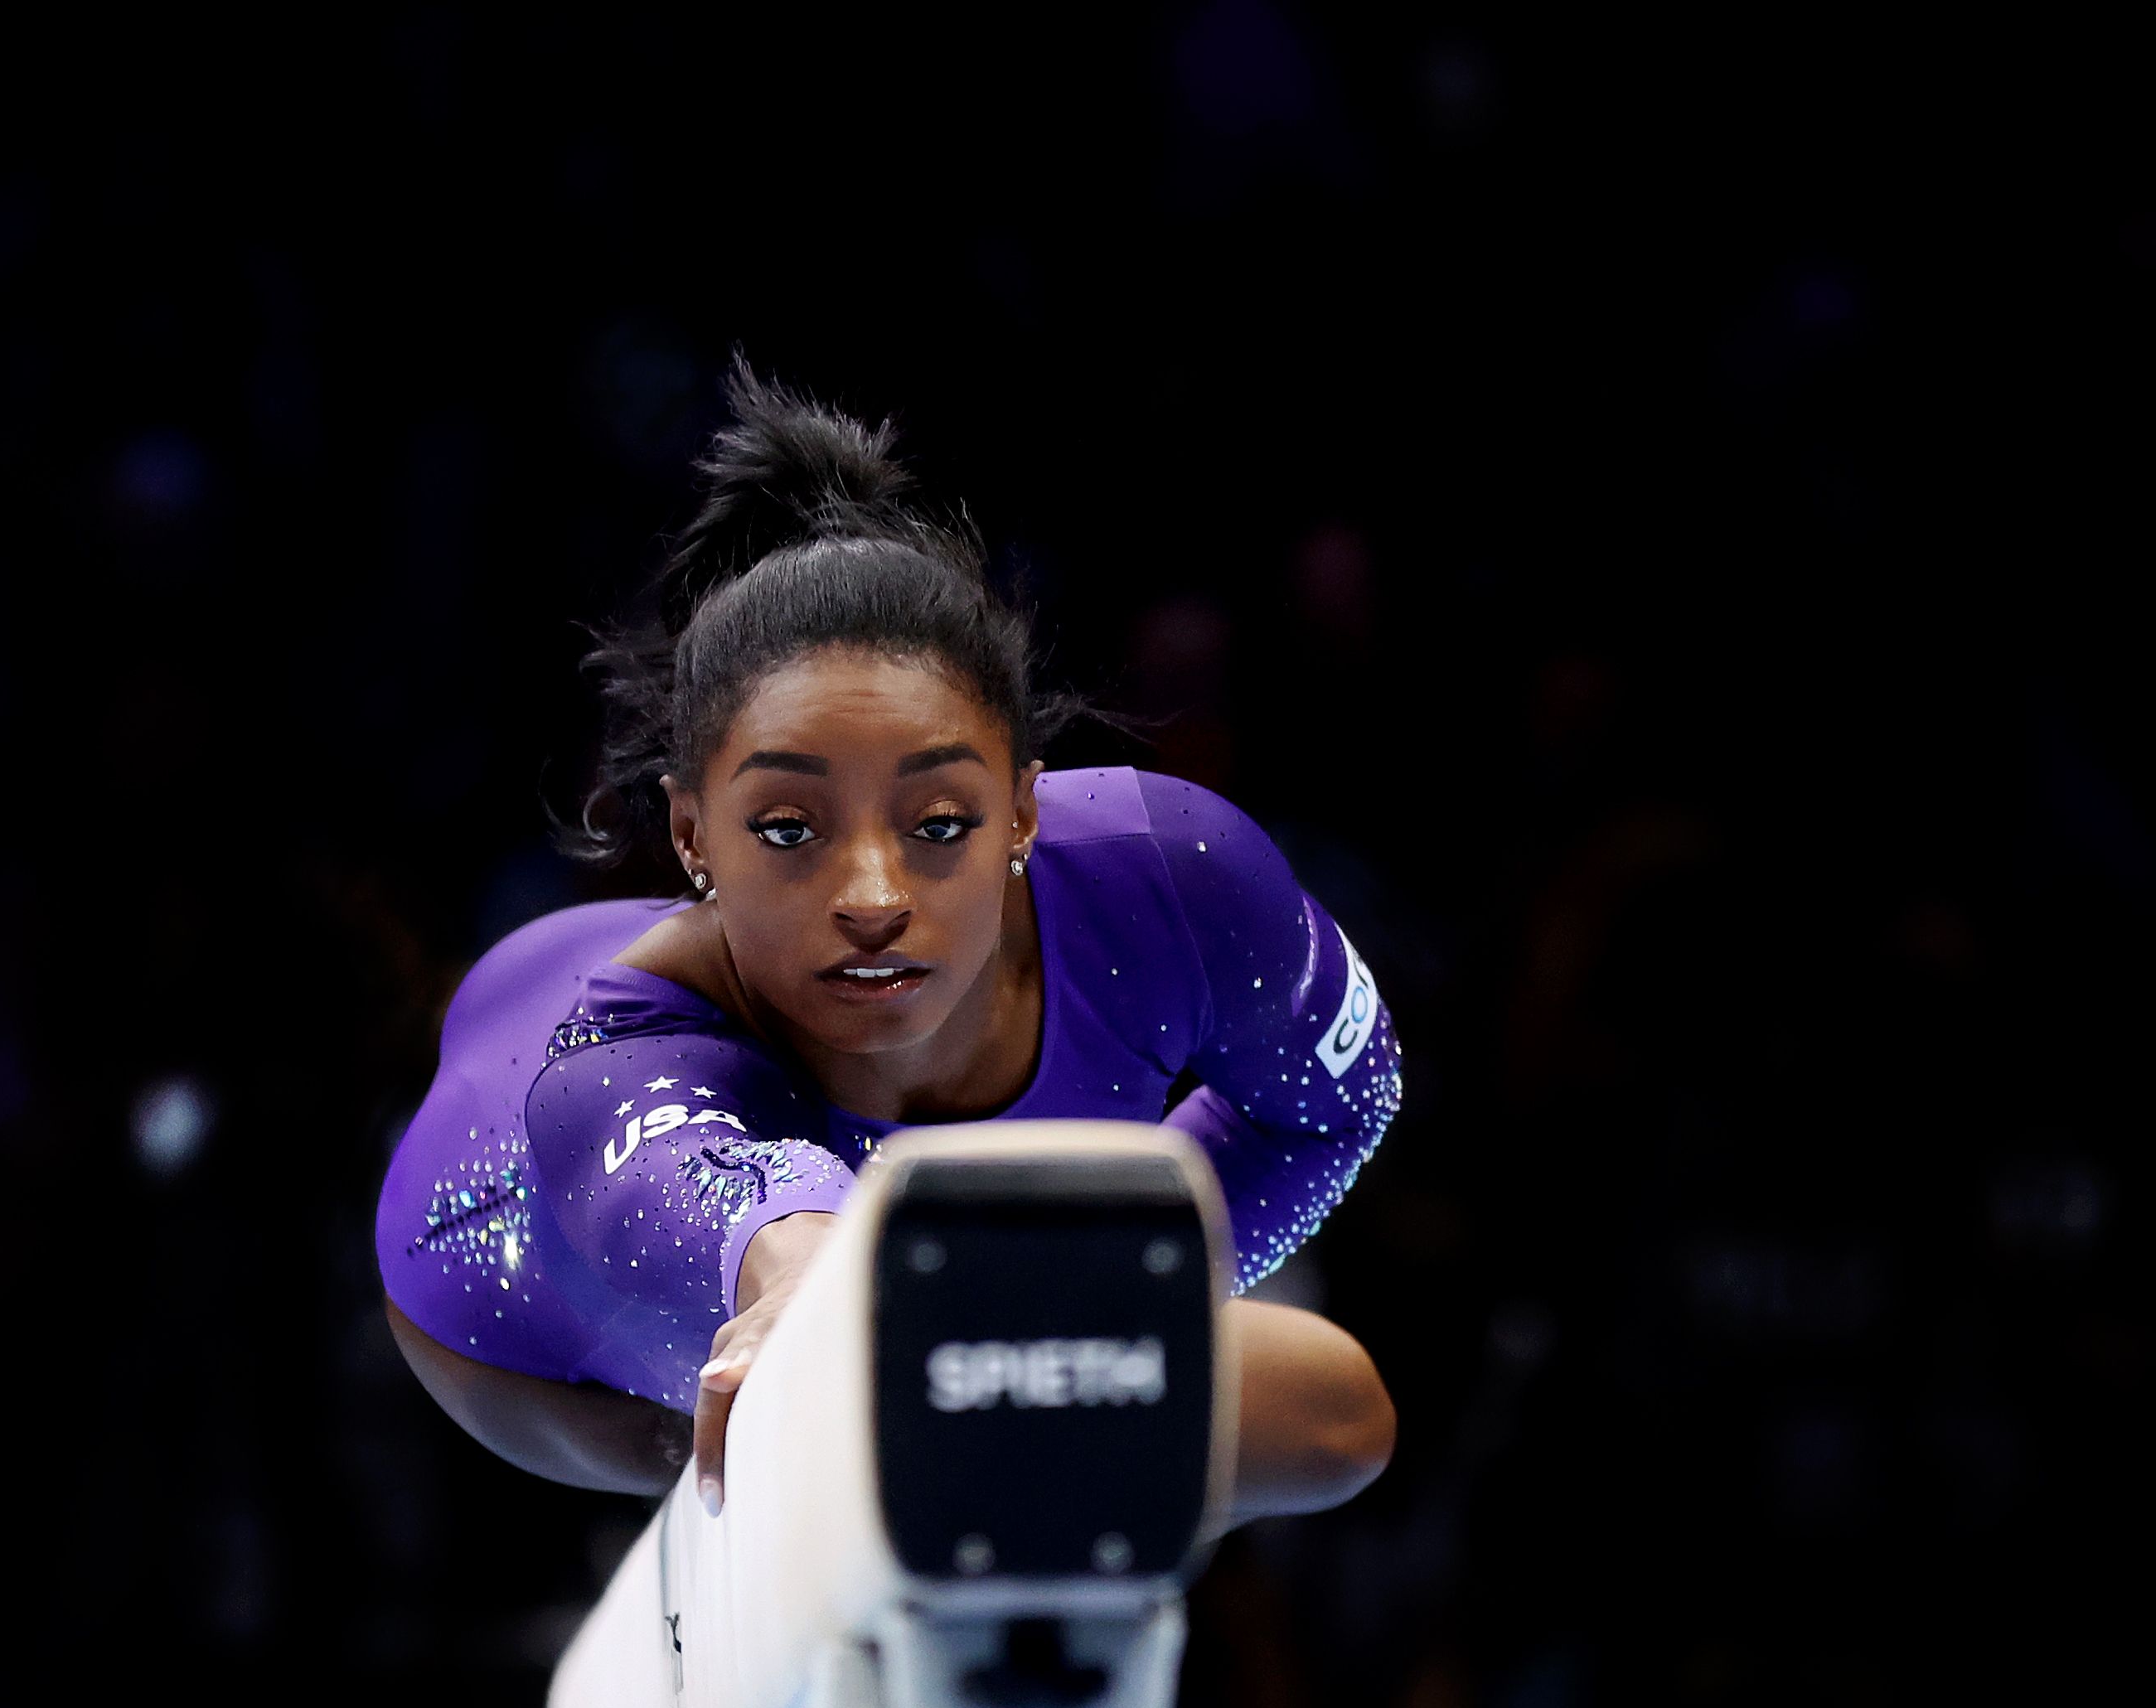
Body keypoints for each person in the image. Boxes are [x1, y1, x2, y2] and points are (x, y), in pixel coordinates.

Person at [376, 365, 1398, 1521]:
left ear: (1022, 808)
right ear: (688, 832)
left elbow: (1334, 1106)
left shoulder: (1168, 879)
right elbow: (771, 1223)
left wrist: (1095, 1292)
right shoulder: (605, 1076)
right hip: (507, 1286)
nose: (872, 893)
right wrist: (833, 1283)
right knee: (825, 1455)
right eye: (788, 826)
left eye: (940, 823)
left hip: (781, 1096)